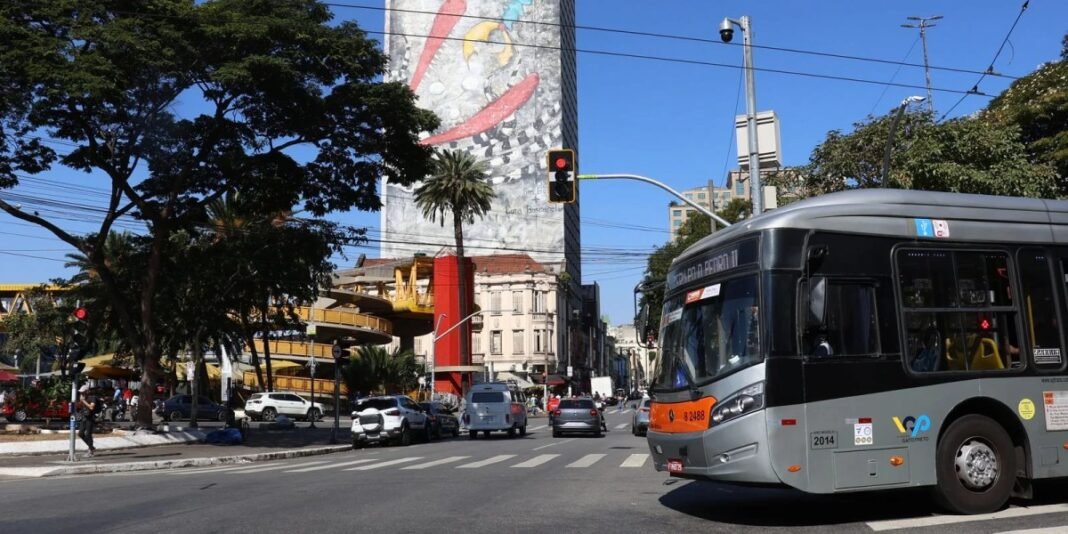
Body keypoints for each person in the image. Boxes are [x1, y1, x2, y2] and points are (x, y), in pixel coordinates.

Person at [77, 384, 98, 458]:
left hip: (90, 418)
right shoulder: (83, 398)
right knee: (80, 433)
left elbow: (91, 407)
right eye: (81, 392)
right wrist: (80, 402)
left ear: (87, 391)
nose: (81, 393)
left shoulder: (92, 397)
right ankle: (91, 447)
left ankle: (91, 451)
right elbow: (80, 407)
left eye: (83, 392)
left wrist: (83, 401)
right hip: (84, 418)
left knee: (88, 434)